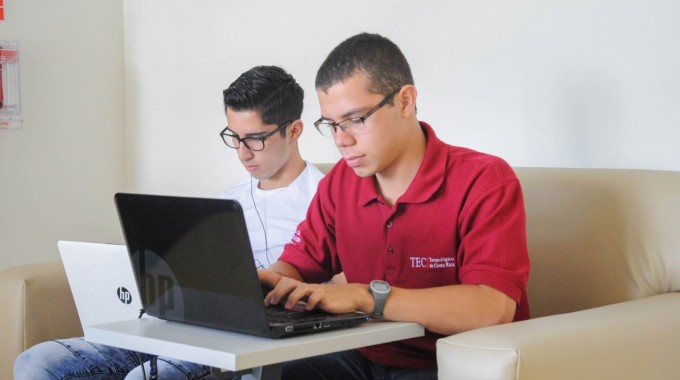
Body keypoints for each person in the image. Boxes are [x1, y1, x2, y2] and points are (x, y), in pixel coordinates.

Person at [14, 65, 325, 380]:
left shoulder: (324, 198)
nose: (243, 153)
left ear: (295, 130)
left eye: (256, 139)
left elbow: (334, 291)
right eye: (234, 137)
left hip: (250, 342)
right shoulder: (228, 199)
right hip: (189, 327)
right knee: (37, 363)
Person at [257, 33, 531, 379]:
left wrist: (366, 297)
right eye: (331, 125)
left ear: (405, 101)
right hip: (359, 355)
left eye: (356, 120)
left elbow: (493, 307)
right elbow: (296, 266)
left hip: (451, 364)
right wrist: (264, 286)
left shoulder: (484, 180)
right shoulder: (340, 182)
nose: (342, 140)